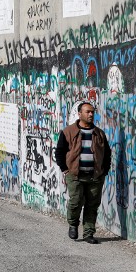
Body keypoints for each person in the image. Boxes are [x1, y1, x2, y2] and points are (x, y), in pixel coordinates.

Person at [54, 100, 112, 244]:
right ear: (80, 114)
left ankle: (88, 233)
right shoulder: (68, 132)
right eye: (88, 112)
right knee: (75, 201)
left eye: (92, 112)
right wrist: (65, 170)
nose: (91, 114)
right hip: (74, 175)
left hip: (95, 176)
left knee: (92, 205)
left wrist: (104, 171)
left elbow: (107, 154)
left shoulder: (99, 134)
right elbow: (60, 152)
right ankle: (73, 224)